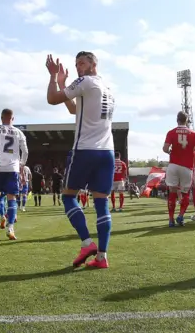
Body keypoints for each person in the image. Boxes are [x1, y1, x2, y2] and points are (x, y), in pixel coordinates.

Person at [45, 51, 114, 269]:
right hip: (107, 152)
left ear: (94, 64)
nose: (78, 67)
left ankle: (86, 242)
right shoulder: (108, 89)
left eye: (82, 62)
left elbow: (52, 99)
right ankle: (102, 258)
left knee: (68, 197)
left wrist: (54, 78)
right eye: (76, 64)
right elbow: (75, 109)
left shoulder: (84, 81)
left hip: (85, 150)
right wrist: (66, 86)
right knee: (102, 203)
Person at [0, 108, 28, 240]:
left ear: (1, 118)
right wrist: (22, 164)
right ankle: (10, 229)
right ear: (13, 119)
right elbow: (25, 150)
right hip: (13, 169)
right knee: (12, 199)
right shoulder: (19, 132)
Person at [163, 111, 195, 227]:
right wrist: (192, 155)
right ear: (187, 120)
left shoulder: (171, 132)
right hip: (187, 166)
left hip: (173, 165)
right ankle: (180, 216)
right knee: (185, 193)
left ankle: (170, 220)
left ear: (177, 120)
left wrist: (170, 151)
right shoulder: (193, 134)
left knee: (172, 192)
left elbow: (165, 148)